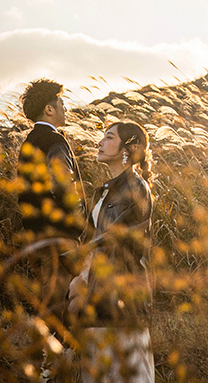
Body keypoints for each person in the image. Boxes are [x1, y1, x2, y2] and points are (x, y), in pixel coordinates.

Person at [68, 121, 155, 383]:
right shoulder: (101, 191)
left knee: (128, 374)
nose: (100, 142)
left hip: (122, 294)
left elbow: (115, 241)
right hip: (96, 293)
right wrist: (79, 278)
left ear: (129, 148)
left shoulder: (137, 188)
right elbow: (92, 240)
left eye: (108, 137)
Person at [16, 78, 87, 354]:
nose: (65, 109)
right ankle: (60, 367)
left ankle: (47, 364)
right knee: (65, 305)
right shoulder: (55, 141)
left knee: (47, 303)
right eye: (62, 103)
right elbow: (63, 186)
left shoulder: (28, 143)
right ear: (49, 109)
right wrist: (78, 223)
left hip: (35, 237)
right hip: (59, 236)